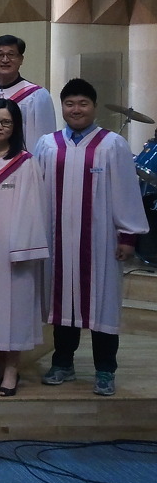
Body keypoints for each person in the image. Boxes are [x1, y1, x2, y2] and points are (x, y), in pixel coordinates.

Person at [34, 78, 148, 396]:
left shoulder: (112, 145)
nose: (76, 109)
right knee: (62, 303)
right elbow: (37, 193)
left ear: (95, 107)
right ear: (62, 107)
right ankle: (63, 363)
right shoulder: (47, 145)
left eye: (83, 103)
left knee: (103, 306)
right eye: (70, 103)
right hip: (57, 240)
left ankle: (105, 370)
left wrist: (128, 237)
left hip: (100, 242)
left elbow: (127, 192)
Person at [0, 99, 49, 397]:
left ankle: (12, 369)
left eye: (6, 122)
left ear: (15, 128)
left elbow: (33, 209)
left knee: (12, 308)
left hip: (12, 249)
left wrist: (23, 248)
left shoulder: (25, 162)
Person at [0, 35, 57, 151]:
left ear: (21, 59)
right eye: (0, 55)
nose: (5, 60)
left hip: (23, 160)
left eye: (11, 55)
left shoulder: (36, 95)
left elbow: (45, 140)